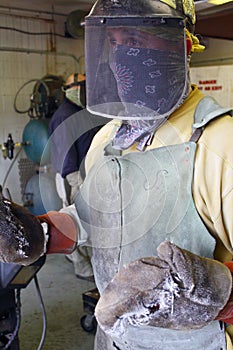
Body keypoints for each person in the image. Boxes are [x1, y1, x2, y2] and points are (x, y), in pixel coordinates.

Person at [1, 0, 233, 349]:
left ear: (181, 48)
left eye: (137, 38)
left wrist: (207, 296)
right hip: (115, 341)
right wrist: (41, 233)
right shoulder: (108, 138)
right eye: (115, 40)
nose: (123, 53)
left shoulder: (221, 144)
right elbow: (88, 220)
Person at [49, 72, 104, 282]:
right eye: (78, 84)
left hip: (85, 173)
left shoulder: (82, 112)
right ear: (68, 89)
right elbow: (65, 154)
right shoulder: (65, 115)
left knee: (87, 221)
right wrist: (77, 183)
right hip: (71, 176)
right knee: (73, 220)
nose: (83, 88)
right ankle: (81, 266)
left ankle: (82, 259)